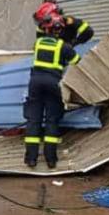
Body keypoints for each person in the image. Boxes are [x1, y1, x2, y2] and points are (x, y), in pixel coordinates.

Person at [24, 9, 81, 169]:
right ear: (60, 30)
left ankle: (31, 159)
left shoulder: (38, 43)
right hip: (53, 84)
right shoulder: (63, 46)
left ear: (46, 28)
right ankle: (51, 160)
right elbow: (77, 61)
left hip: (35, 83)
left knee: (33, 120)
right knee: (52, 120)